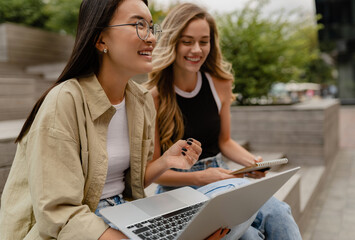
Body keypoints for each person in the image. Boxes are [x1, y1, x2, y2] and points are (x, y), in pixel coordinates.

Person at [0, 0, 203, 239]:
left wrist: (166, 161)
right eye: (138, 25)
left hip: (124, 214)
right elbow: (59, 214)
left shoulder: (142, 100)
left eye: (151, 27)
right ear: (100, 40)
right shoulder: (64, 101)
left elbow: (129, 185)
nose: (151, 38)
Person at [147, 3, 302, 239]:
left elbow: (225, 141)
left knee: (279, 212)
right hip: (176, 191)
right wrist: (200, 177)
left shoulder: (219, 83)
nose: (197, 49)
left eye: (204, 41)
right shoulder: (154, 96)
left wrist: (251, 163)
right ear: (172, 42)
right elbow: (155, 172)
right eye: (187, 41)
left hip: (222, 178)